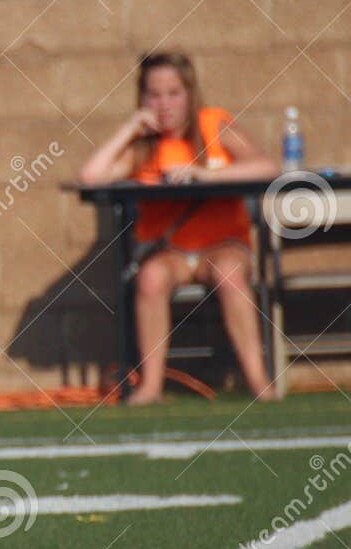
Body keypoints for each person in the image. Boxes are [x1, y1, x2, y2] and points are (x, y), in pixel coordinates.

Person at [79, 51, 280, 404]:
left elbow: (266, 167)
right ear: (142, 99)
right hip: (169, 252)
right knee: (150, 279)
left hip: (222, 245)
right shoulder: (143, 147)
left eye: (174, 93)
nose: (165, 104)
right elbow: (91, 177)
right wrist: (129, 129)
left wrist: (207, 174)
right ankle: (151, 387)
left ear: (189, 93)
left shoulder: (213, 124)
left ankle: (260, 383)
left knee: (231, 274)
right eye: (154, 95)